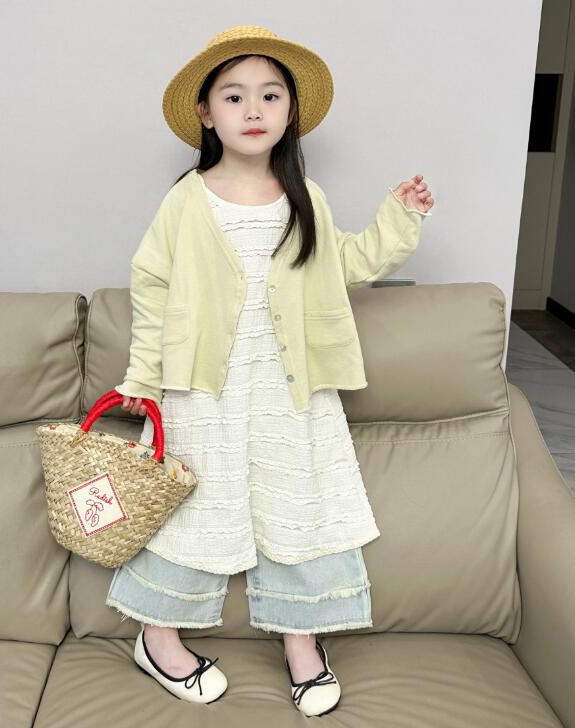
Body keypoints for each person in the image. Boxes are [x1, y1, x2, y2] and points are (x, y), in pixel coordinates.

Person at [106, 25, 435, 716]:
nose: (252, 109)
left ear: (289, 111)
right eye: (233, 96)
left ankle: (302, 643)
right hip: (201, 389)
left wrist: (399, 218)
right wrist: (141, 378)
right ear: (206, 114)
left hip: (290, 390)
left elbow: (346, 264)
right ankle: (157, 638)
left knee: (300, 507)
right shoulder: (186, 199)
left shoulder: (303, 195)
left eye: (269, 95)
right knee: (187, 509)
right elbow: (152, 287)